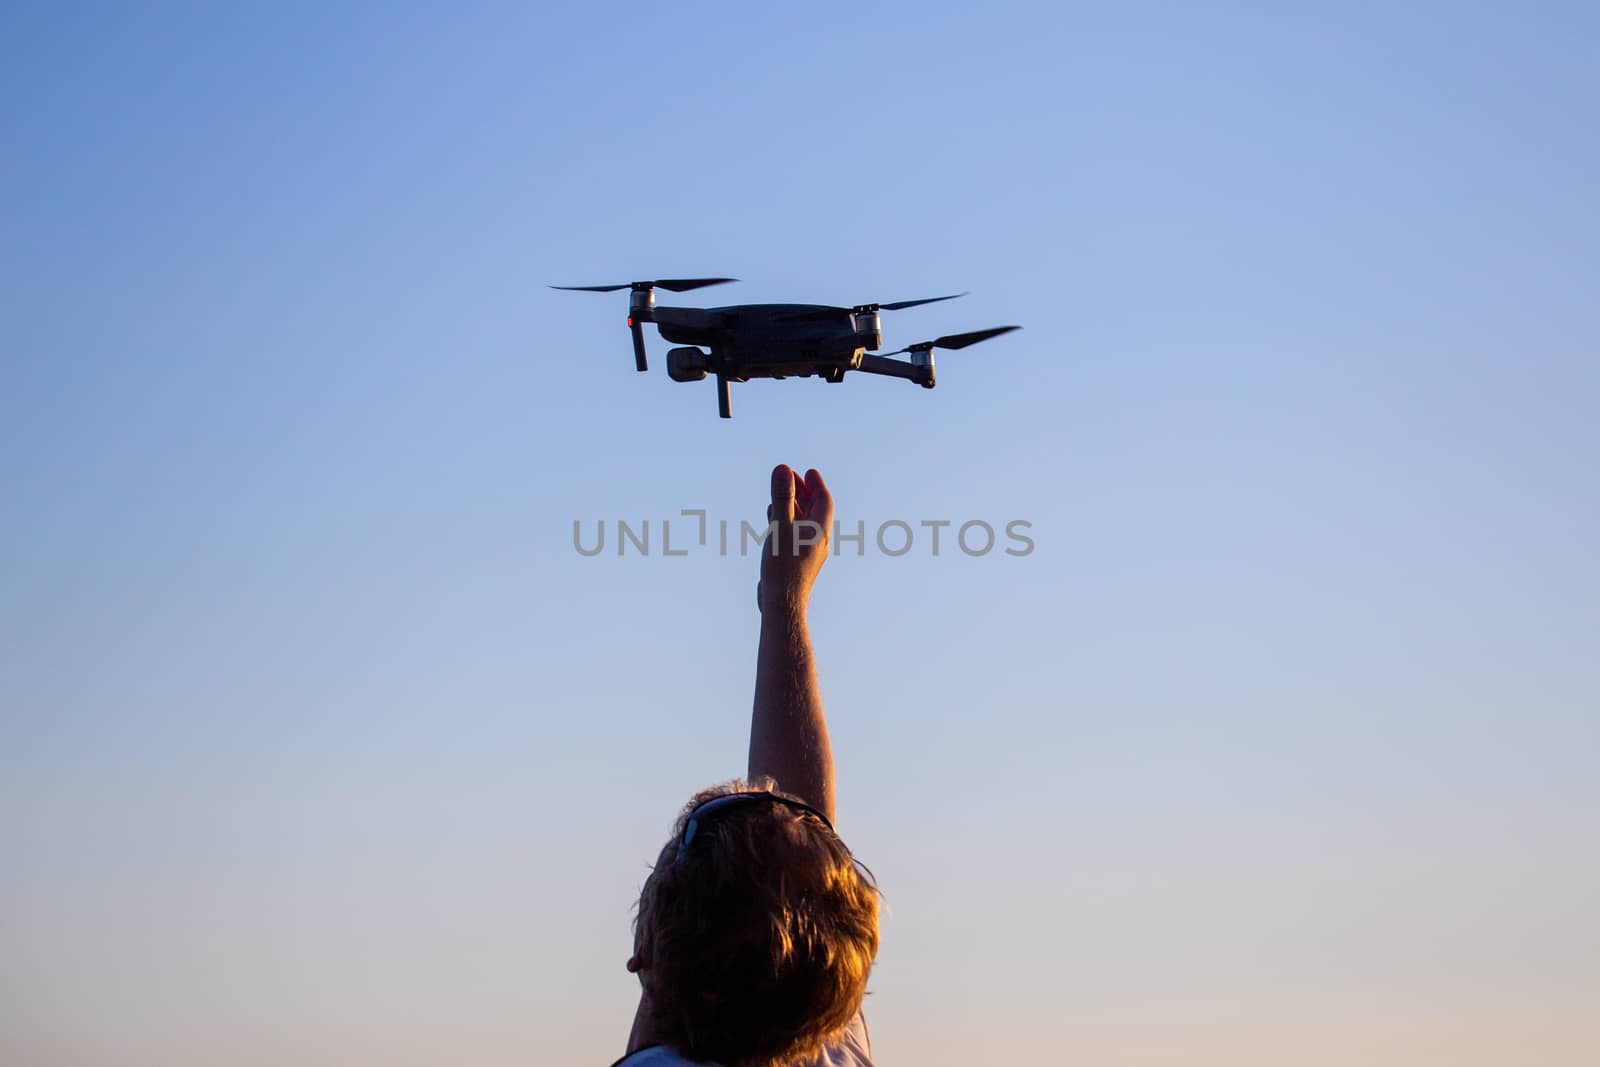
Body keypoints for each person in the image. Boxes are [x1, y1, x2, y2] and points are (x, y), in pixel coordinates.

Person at [612, 465, 880, 1067]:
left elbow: (801, 846)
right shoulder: (803, 1033)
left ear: (646, 943)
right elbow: (801, 840)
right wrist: (785, 603)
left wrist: (780, 598)